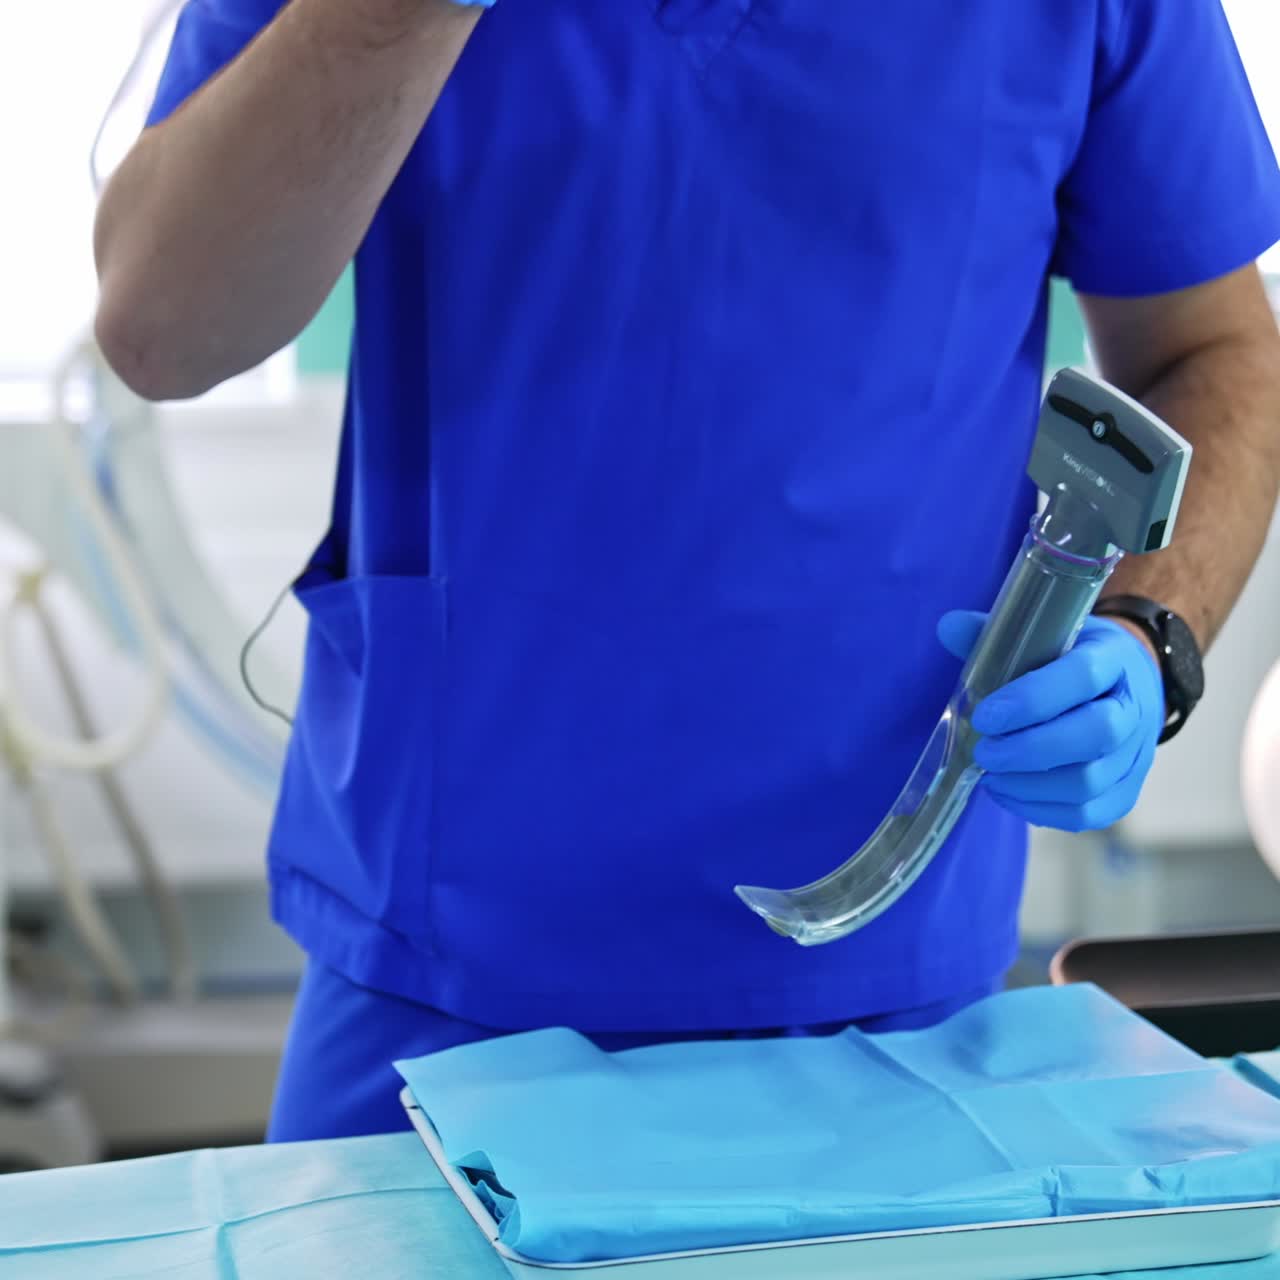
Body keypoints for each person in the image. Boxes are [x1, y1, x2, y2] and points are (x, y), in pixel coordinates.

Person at [94, 0, 1280, 1141]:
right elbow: (161, 327)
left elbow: (1212, 350)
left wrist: (1144, 634)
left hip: (896, 967)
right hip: (437, 964)